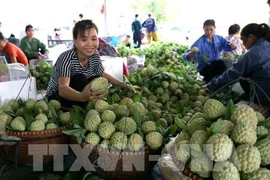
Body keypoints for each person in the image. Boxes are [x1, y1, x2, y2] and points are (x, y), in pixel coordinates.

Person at [46, 20, 138, 108]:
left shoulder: (95, 55)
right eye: (84, 39)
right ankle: (73, 107)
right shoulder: (66, 58)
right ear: (75, 41)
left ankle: (86, 104)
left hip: (80, 93)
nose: (90, 44)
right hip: (56, 96)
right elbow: (62, 88)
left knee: (98, 78)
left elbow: (103, 74)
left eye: (94, 39)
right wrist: (82, 97)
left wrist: (125, 85)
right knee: (80, 79)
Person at [207, 23, 270, 106]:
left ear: (251, 37)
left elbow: (233, 73)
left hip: (267, 96)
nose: (243, 44)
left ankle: (259, 101)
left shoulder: (253, 53)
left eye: (243, 40)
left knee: (243, 77)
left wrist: (211, 85)